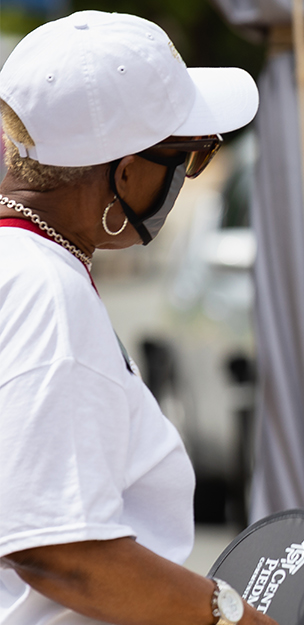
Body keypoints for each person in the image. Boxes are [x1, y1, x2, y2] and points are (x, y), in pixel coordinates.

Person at [0, 12, 271, 625]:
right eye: (188, 159)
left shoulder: (19, 265)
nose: (185, 179)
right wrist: (234, 618)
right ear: (126, 173)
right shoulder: (47, 292)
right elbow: (62, 553)